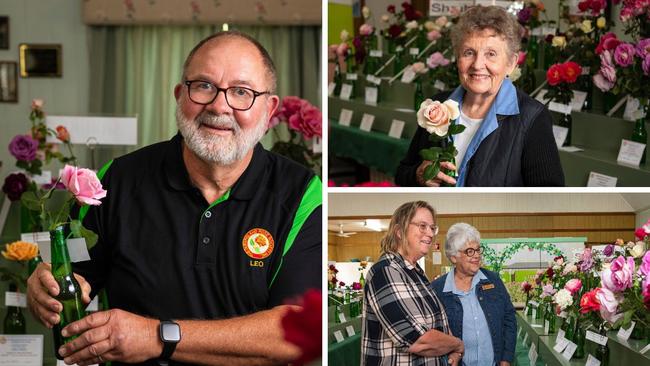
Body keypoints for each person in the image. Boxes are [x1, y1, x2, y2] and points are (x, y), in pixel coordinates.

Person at [26, 30, 322, 366]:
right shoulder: (117, 179)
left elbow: (297, 332)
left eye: (242, 92)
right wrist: (46, 286)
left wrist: (158, 336)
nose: (219, 105)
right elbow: (75, 278)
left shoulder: (302, 194)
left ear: (269, 110)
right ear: (180, 94)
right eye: (204, 86)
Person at [395, 5, 564, 187]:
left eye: (491, 54)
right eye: (469, 53)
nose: (478, 65)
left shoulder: (532, 117)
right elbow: (402, 174)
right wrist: (418, 175)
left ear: (511, 63)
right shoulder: (438, 106)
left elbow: (549, 196)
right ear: (457, 57)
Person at [362, 201, 464, 366]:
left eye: (432, 228)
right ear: (399, 232)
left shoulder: (416, 273)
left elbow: (441, 324)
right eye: (422, 226)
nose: (430, 234)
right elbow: (418, 340)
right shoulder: (386, 271)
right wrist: (458, 344)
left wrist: (454, 350)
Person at [430, 223, 516, 366]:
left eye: (477, 250)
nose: (476, 255)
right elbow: (433, 333)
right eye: (469, 251)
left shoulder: (493, 280)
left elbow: (509, 319)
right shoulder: (438, 289)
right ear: (453, 257)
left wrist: (506, 359)